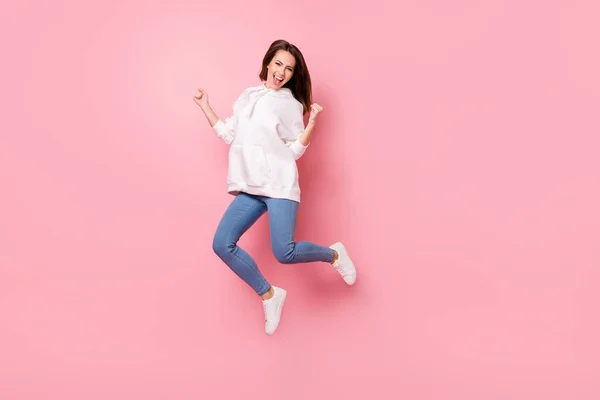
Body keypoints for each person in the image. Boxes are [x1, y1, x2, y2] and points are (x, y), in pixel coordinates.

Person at [194, 39, 356, 335]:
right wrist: (206, 106)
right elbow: (230, 134)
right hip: (251, 186)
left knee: (284, 252)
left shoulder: (290, 105)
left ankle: (334, 255)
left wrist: (311, 125)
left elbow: (293, 151)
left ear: (293, 75)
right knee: (221, 244)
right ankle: (269, 294)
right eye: (278, 63)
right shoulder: (246, 96)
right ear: (268, 62)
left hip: (279, 184)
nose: (282, 72)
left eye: (289, 69)